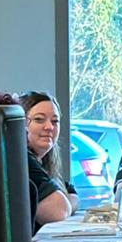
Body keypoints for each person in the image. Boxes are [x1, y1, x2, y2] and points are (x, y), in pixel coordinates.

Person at [20, 91, 77, 228]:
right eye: (39, 119)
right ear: (21, 124)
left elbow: (72, 193)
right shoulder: (23, 160)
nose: (49, 127)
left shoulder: (42, 162)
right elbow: (58, 212)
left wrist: (66, 201)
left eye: (55, 121)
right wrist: (66, 203)